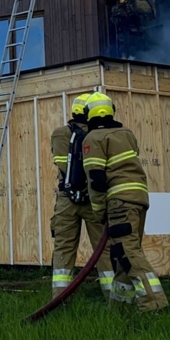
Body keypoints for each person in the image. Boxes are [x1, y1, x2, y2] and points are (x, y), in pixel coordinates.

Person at [82, 92, 168, 311]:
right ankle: (119, 306)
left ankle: (155, 304)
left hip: (119, 202)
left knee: (129, 254)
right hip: (139, 199)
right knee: (122, 253)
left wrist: (100, 211)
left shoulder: (93, 139)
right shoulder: (126, 134)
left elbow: (96, 180)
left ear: (88, 114)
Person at [48, 93, 114, 301]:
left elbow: (61, 165)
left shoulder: (59, 134)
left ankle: (59, 297)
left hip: (66, 200)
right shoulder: (101, 135)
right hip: (94, 199)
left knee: (63, 249)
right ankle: (113, 297)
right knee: (103, 249)